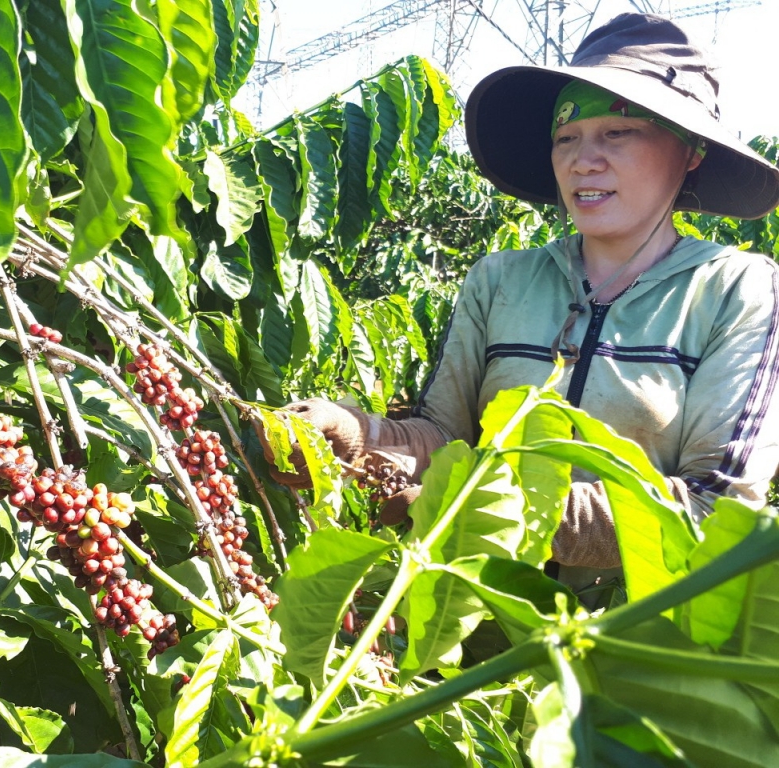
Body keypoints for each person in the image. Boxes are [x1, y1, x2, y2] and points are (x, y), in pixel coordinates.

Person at [261, 13, 779, 599]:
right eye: (566, 138)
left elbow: (717, 509)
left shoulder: (734, 290)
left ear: (690, 152)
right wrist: (355, 437)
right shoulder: (501, 280)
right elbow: (443, 437)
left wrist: (494, 510)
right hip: (465, 621)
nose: (584, 160)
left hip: (632, 642)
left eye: (617, 134)